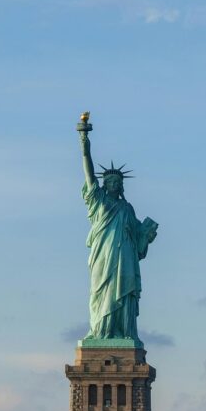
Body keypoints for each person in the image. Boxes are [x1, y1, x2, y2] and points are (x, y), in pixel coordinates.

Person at [78, 120, 158, 343]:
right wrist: (84, 142)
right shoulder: (98, 201)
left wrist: (147, 236)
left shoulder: (127, 208)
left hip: (125, 258)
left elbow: (139, 242)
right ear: (104, 184)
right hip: (103, 256)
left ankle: (124, 332)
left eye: (116, 181)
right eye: (109, 180)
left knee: (123, 291)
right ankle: (100, 331)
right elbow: (88, 172)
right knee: (100, 292)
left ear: (121, 185)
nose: (113, 183)